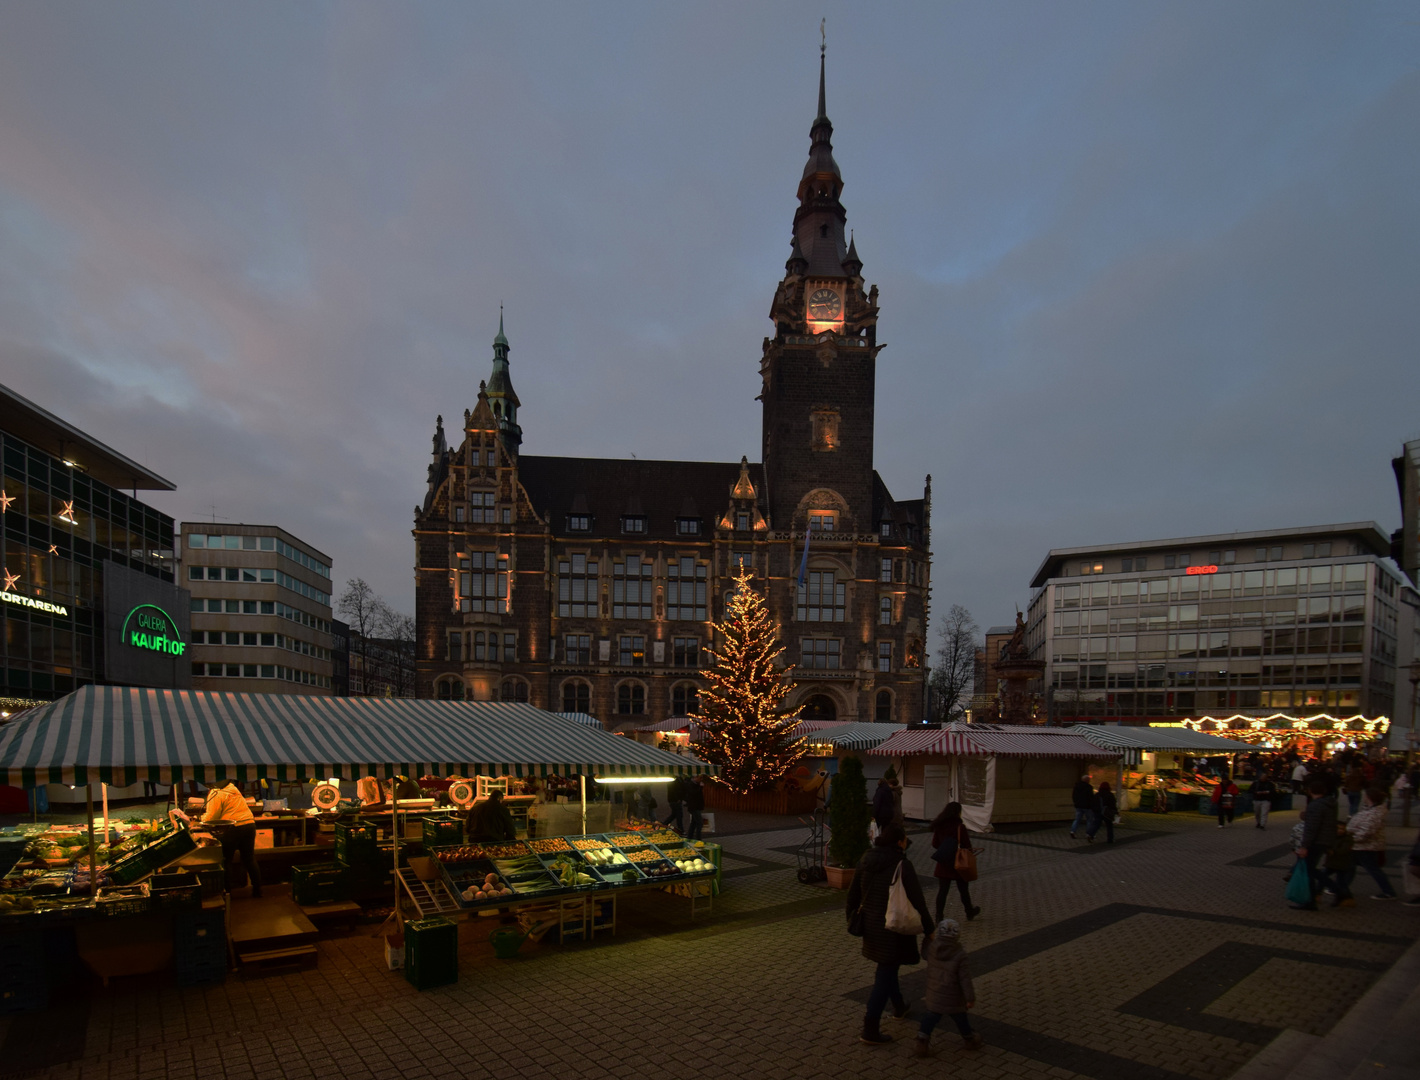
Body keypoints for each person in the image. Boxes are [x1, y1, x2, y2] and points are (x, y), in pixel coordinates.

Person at [845, 823, 934, 1045]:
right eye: (904, 840)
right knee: (884, 974)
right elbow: (917, 901)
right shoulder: (901, 864)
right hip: (893, 927)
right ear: (899, 842)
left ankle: (899, 1006)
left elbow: (853, 895)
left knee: (888, 966)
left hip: (871, 927)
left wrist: (851, 918)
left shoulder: (865, 860)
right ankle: (870, 1028)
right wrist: (930, 929)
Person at [913, 918, 983, 1057]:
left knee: (930, 1018)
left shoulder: (933, 948)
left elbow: (924, 954)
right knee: (960, 1018)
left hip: (935, 993)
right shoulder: (960, 954)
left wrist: (927, 938)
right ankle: (969, 1039)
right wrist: (970, 998)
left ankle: (922, 1042)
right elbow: (965, 979)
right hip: (954, 996)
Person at [198, 780, 262, 899]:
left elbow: (211, 817)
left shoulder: (216, 793)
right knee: (249, 858)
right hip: (249, 824)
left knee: (226, 861)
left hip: (231, 828)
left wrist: (200, 818)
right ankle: (257, 890)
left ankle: (227, 893)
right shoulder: (233, 789)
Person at [929, 802, 980, 922]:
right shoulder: (959, 827)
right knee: (963, 890)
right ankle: (969, 912)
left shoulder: (939, 825)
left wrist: (944, 849)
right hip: (958, 863)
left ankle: (938, 916)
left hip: (944, 862)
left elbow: (934, 843)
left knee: (942, 891)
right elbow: (967, 845)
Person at [1294, 779, 1338, 910]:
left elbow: (1311, 828)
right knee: (1311, 870)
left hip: (1316, 841)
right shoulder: (1330, 804)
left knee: (1310, 871)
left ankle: (1337, 891)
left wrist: (1304, 846)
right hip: (1325, 840)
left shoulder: (1316, 805)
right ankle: (1313, 899)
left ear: (1310, 791)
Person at [1347, 787, 1396, 901]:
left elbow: (1367, 831)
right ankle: (1341, 886)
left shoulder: (1375, 813)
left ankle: (1388, 891)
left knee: (1372, 869)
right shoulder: (1371, 810)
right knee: (1349, 866)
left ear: (1369, 798)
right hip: (1362, 845)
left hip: (1367, 846)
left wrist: (1351, 839)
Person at [685, 776, 705, 840]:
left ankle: (690, 837)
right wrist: (700, 787)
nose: (700, 779)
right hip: (694, 806)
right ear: (695, 778)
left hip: (695, 806)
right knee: (699, 822)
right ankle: (698, 838)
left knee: (694, 822)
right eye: (699, 778)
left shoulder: (694, 784)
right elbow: (694, 794)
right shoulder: (691, 785)